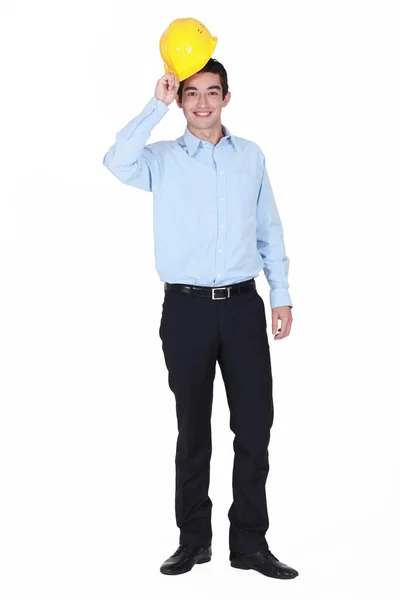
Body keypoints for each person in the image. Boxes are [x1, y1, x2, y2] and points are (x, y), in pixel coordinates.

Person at [103, 58, 298, 579]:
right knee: (193, 430)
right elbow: (115, 161)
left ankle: (251, 545)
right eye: (191, 93)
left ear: (227, 98)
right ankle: (193, 541)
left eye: (212, 92)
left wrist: (280, 294)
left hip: (241, 307)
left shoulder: (251, 157)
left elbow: (269, 229)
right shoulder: (161, 159)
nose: (203, 103)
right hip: (185, 310)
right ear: (181, 99)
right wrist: (154, 104)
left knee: (255, 426)